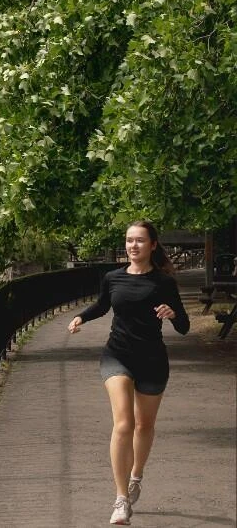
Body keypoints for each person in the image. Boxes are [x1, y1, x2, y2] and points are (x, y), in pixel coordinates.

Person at [67, 220, 190, 525]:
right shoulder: (112, 278)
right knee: (124, 423)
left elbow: (185, 327)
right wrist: (81, 317)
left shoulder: (164, 283)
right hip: (117, 355)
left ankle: (136, 475)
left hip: (152, 359)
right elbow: (102, 306)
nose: (132, 246)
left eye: (139, 241)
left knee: (144, 426)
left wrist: (173, 314)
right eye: (128, 241)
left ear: (152, 245)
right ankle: (121, 499)